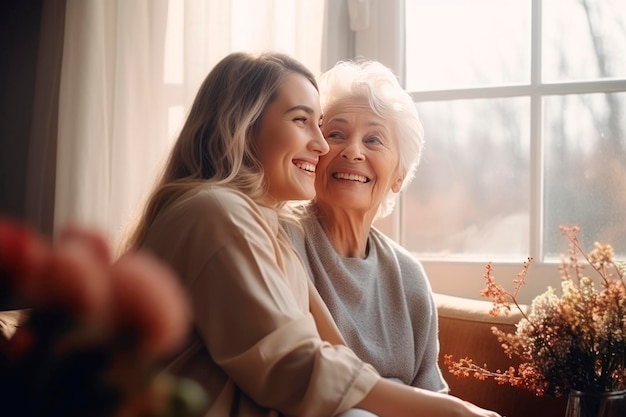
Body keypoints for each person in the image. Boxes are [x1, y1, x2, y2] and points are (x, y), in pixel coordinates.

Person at [123, 51, 501, 417]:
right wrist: (451, 410)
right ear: (246, 125)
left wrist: (447, 407)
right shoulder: (233, 219)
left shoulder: (259, 228)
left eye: (373, 139)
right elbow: (298, 367)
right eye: (322, 128)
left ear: (400, 175)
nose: (325, 147)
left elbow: (339, 365)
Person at [284, 59, 448, 391]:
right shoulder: (282, 241)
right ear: (314, 153)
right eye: (336, 134)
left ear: (399, 175)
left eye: (373, 140)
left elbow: (434, 396)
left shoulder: (408, 276)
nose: (353, 151)